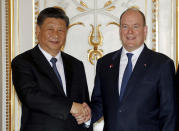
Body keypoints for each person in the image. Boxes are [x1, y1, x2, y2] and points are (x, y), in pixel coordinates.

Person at [90, 8, 176, 131]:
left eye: (136, 26)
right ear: (120, 31)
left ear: (145, 30)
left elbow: (169, 114)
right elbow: (98, 103)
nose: (130, 32)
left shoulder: (162, 64)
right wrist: (85, 114)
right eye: (125, 26)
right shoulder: (104, 63)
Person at [11, 7, 92, 131]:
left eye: (61, 30)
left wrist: (87, 117)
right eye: (50, 29)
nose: (56, 35)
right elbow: (30, 96)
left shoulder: (76, 65)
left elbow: (84, 106)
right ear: (38, 30)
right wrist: (70, 106)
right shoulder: (23, 62)